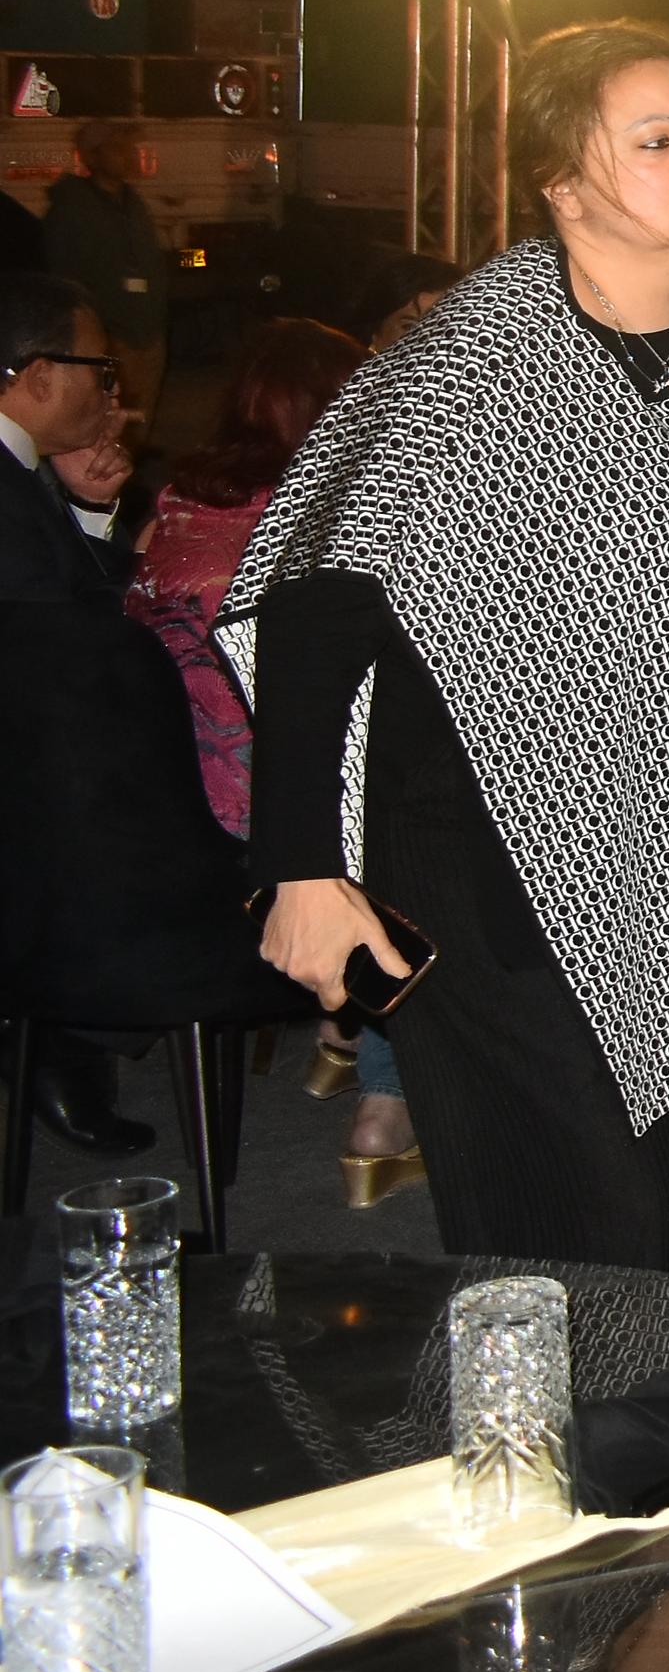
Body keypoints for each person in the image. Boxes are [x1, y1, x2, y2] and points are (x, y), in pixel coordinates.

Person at [225, 21, 669, 1277]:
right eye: (655, 140)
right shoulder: (465, 362)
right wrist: (301, 864)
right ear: (564, 184)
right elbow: (313, 598)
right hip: (500, 854)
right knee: (573, 1235)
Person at [119, 318, 390, 1196]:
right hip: (268, 833)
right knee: (428, 800)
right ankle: (386, 1103)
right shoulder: (323, 526)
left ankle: (337, 1038)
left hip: (160, 814)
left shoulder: (173, 509)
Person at [0, 271, 167, 1157]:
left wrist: (96, 515)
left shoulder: (22, 471)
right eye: (100, 371)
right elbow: (69, 645)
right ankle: (61, 1032)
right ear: (38, 374)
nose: (115, 392)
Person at [40, 118, 167, 416]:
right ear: (93, 157)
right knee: (107, 418)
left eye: (128, 146)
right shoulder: (71, 210)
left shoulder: (133, 204)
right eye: (116, 148)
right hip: (108, 337)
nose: (128, 154)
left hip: (146, 333)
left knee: (138, 418)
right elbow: (64, 278)